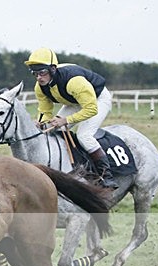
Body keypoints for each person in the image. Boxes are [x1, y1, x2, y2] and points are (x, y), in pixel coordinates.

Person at [25, 47, 117, 189]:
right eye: (35, 73)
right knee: (50, 130)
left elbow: (91, 109)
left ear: (53, 69)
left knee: (84, 135)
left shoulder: (74, 81)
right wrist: (41, 123)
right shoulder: (40, 86)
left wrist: (66, 120)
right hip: (74, 101)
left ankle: (106, 175)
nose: (39, 78)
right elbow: (45, 110)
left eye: (42, 72)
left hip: (97, 100)